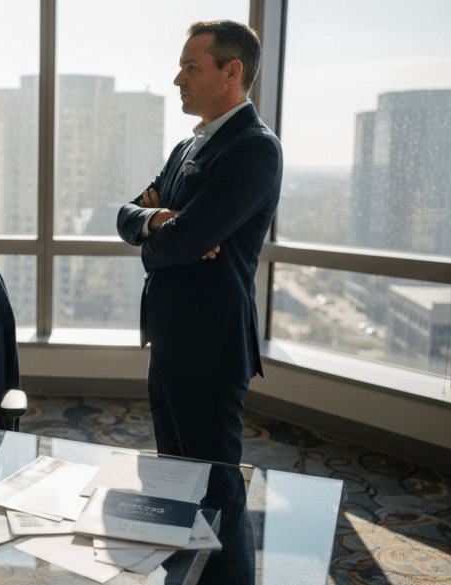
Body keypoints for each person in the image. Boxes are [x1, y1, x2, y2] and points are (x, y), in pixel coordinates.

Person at [115, 19, 282, 585]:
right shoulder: (189, 145)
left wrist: (164, 236)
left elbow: (182, 243)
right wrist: (160, 221)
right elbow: (127, 216)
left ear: (231, 73)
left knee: (217, 492)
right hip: (169, 342)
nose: (177, 78)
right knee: (174, 485)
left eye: (192, 66)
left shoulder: (254, 150)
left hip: (211, 349)